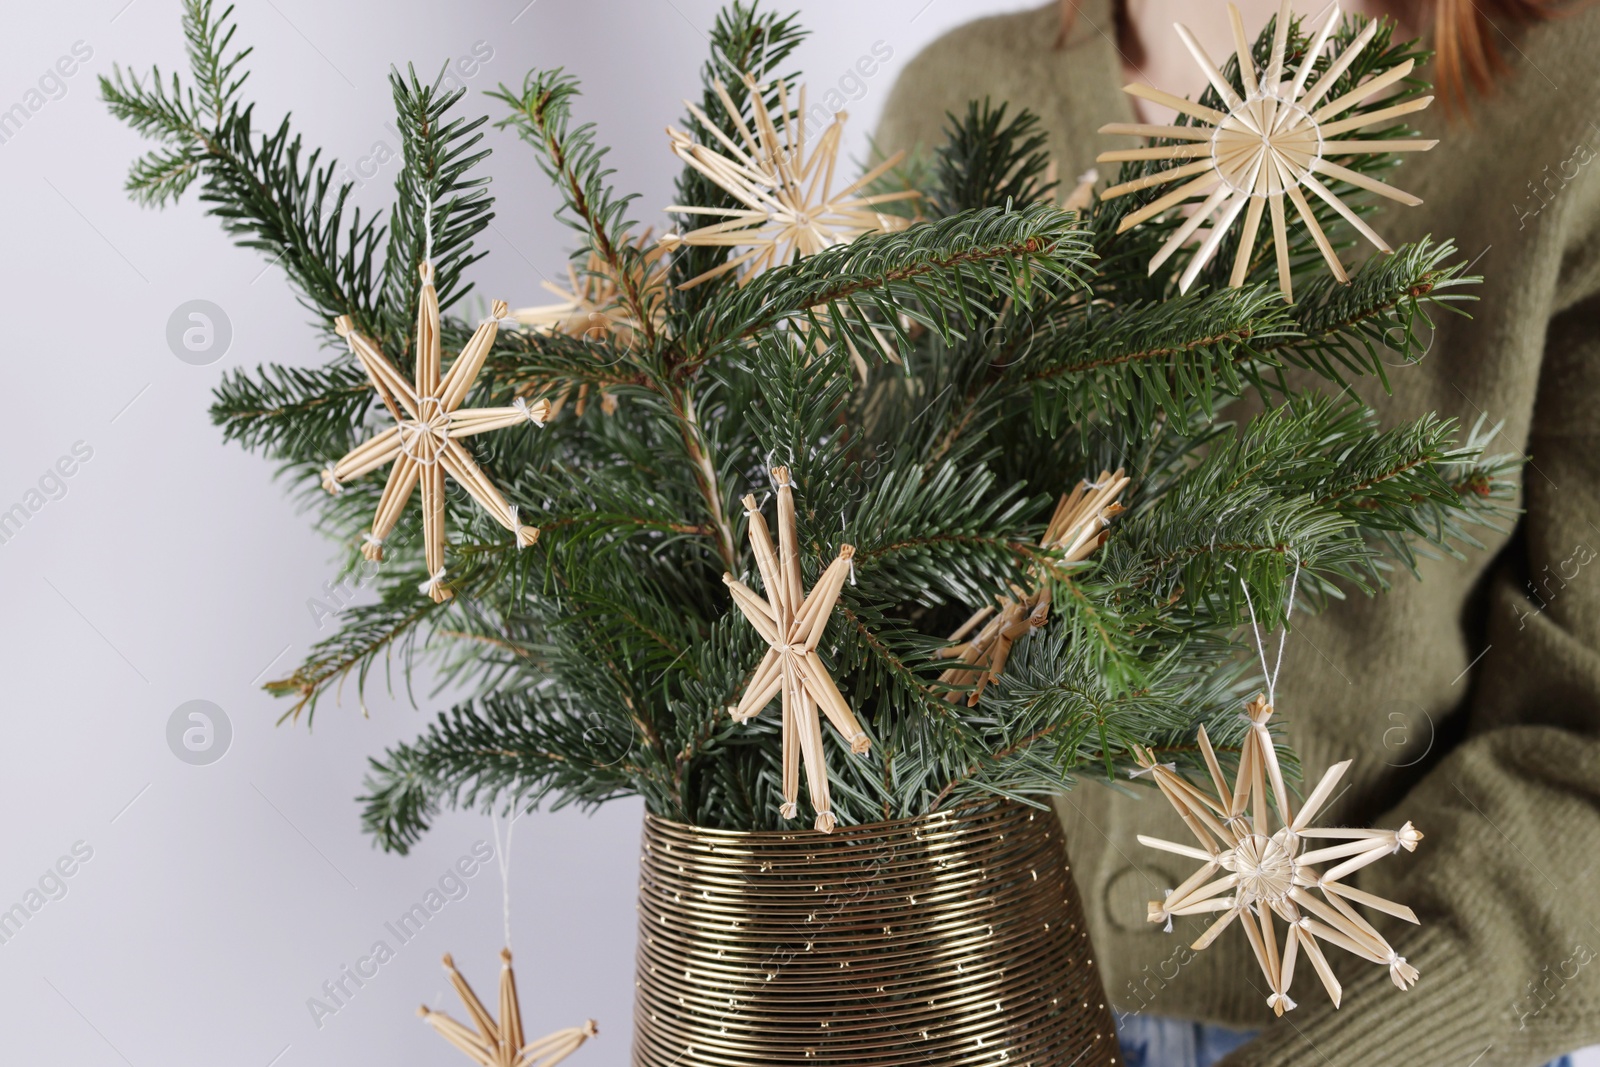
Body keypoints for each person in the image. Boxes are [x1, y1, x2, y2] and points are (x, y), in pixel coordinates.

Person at [876, 2, 1600, 1065]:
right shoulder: (959, 96)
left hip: (1403, 1023)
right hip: (976, 1010)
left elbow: (1584, 735)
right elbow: (867, 618)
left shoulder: (1566, 98)